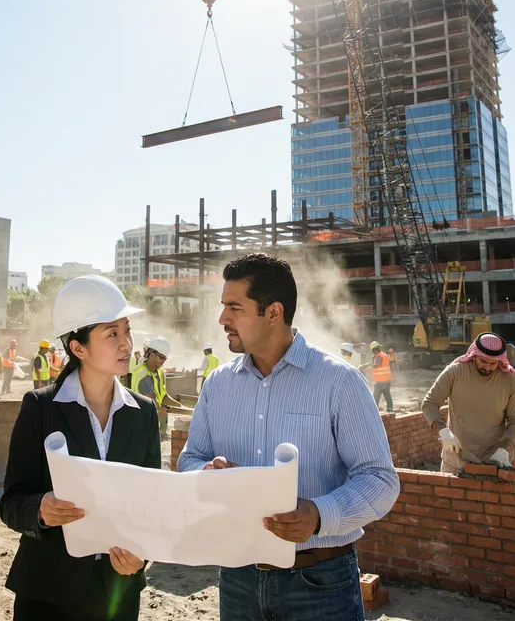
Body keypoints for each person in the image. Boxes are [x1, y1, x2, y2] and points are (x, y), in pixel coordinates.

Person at [178, 253, 399, 621]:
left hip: (321, 584)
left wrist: (317, 515)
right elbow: (189, 460)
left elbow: (380, 479)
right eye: (223, 307)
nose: (222, 320)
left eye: (235, 307)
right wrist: (207, 473)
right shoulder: (218, 385)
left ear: (274, 312)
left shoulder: (339, 382)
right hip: (237, 580)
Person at [0, 274, 161, 621]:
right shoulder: (40, 409)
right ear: (78, 348)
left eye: (127, 330)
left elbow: (152, 506)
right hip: (48, 594)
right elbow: (11, 503)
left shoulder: (144, 413)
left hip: (118, 593)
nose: (127, 344)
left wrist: (141, 556)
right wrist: (40, 510)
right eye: (112, 334)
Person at [422, 332, 515, 474]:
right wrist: (443, 431)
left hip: (495, 461)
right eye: (483, 361)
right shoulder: (455, 373)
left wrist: (505, 449)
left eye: (493, 363)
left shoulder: (509, 381)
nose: (488, 368)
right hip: (456, 457)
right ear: (474, 355)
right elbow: (429, 403)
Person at [131, 337, 182, 409]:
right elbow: (155, 406)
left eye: (165, 358)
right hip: (141, 417)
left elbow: (164, 397)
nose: (163, 361)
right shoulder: (144, 376)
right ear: (152, 355)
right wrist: (187, 412)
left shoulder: (159, 371)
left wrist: (181, 407)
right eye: (161, 357)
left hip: (151, 416)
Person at [370, 341, 393, 413]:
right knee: (387, 396)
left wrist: (369, 368)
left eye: (373, 351)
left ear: (374, 349)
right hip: (387, 380)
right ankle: (390, 410)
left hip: (381, 381)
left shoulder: (379, 356)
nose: (373, 352)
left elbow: (377, 365)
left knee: (375, 397)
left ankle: (375, 412)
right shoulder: (384, 354)